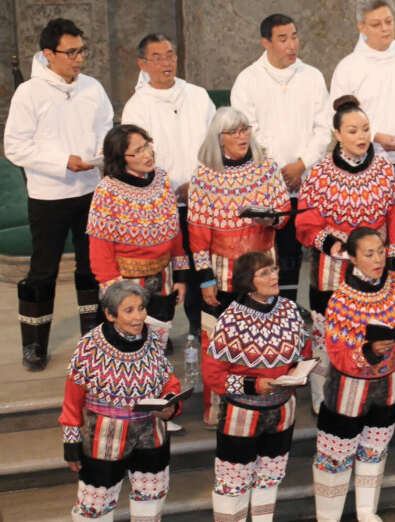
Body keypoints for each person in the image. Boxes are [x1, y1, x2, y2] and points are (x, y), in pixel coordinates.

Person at [4, 17, 114, 371]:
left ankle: (93, 337)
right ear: (48, 54)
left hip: (90, 192)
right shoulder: (30, 93)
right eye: (71, 52)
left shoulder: (92, 87)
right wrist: (62, 162)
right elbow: (15, 148)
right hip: (49, 195)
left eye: (81, 51)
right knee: (43, 270)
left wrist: (98, 155)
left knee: (91, 267)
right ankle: (34, 345)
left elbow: (104, 128)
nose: (78, 59)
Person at [296, 95, 395, 414]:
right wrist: (333, 245)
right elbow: (304, 222)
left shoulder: (385, 170)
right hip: (332, 268)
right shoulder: (319, 173)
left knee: (372, 330)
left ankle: (373, 391)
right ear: (338, 135)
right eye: (353, 131)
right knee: (326, 333)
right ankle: (322, 397)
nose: (361, 137)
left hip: (375, 267)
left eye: (366, 129)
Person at [188, 107, 290, 425]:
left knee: (262, 335)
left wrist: (271, 218)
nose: (242, 136)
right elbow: (197, 232)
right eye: (233, 132)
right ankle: (217, 405)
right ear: (218, 139)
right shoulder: (204, 175)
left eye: (244, 129)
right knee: (219, 342)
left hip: (262, 267)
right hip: (222, 272)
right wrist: (205, 278)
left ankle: (266, 397)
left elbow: (284, 212)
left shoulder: (267, 167)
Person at [59, 282, 182, 521]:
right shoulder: (89, 347)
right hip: (104, 437)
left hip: (150, 435)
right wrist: (71, 444)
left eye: (141, 308)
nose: (138, 317)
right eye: (129, 310)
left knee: (151, 500)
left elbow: (169, 380)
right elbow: (72, 400)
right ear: (110, 314)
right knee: (95, 507)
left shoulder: (153, 338)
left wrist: (170, 404)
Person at [232, 13, 332, 304]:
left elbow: (323, 128)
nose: (292, 45)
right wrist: (278, 171)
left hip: (304, 181)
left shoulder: (312, 76)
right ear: (266, 42)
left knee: (292, 254)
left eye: (295, 36)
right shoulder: (248, 79)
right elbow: (249, 132)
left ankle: (288, 308)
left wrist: (301, 165)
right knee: (264, 252)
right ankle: (260, 308)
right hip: (264, 184)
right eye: (283, 39)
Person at [312, 228, 395, 522]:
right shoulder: (341, 299)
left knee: (375, 449)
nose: (379, 258)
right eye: (369, 254)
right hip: (348, 388)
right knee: (335, 455)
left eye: (381, 250)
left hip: (389, 383)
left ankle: (368, 511)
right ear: (352, 258)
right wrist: (368, 351)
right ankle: (328, 516)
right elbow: (338, 353)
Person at [204, 251, 311, 521]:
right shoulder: (230, 321)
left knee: (270, 479)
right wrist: (254, 385)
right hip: (241, 416)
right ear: (247, 282)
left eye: (274, 269)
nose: (274, 275)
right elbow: (213, 376)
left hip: (282, 412)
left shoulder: (290, 310)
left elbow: (304, 351)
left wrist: (299, 370)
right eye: (264, 273)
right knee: (233, 485)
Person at [121, 32, 216, 336]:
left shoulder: (198, 95)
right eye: (157, 57)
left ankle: (200, 329)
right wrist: (168, 189)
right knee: (168, 273)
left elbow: (214, 145)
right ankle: (156, 333)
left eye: (171, 55)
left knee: (202, 267)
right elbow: (135, 157)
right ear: (143, 64)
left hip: (203, 200)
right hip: (160, 205)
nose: (166, 63)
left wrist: (198, 184)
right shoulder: (137, 106)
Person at [86, 124, 188, 352]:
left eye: (147, 146)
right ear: (120, 158)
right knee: (126, 347)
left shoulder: (161, 178)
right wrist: (115, 294)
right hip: (126, 282)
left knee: (159, 343)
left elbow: (175, 230)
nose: (147, 154)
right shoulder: (107, 191)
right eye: (138, 151)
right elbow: (100, 249)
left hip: (163, 278)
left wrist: (180, 277)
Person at [329, 0, 395, 176]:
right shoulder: (348, 68)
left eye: (389, 21)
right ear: (362, 28)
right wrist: (374, 136)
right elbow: (337, 117)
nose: (385, 29)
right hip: (364, 164)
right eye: (376, 24)